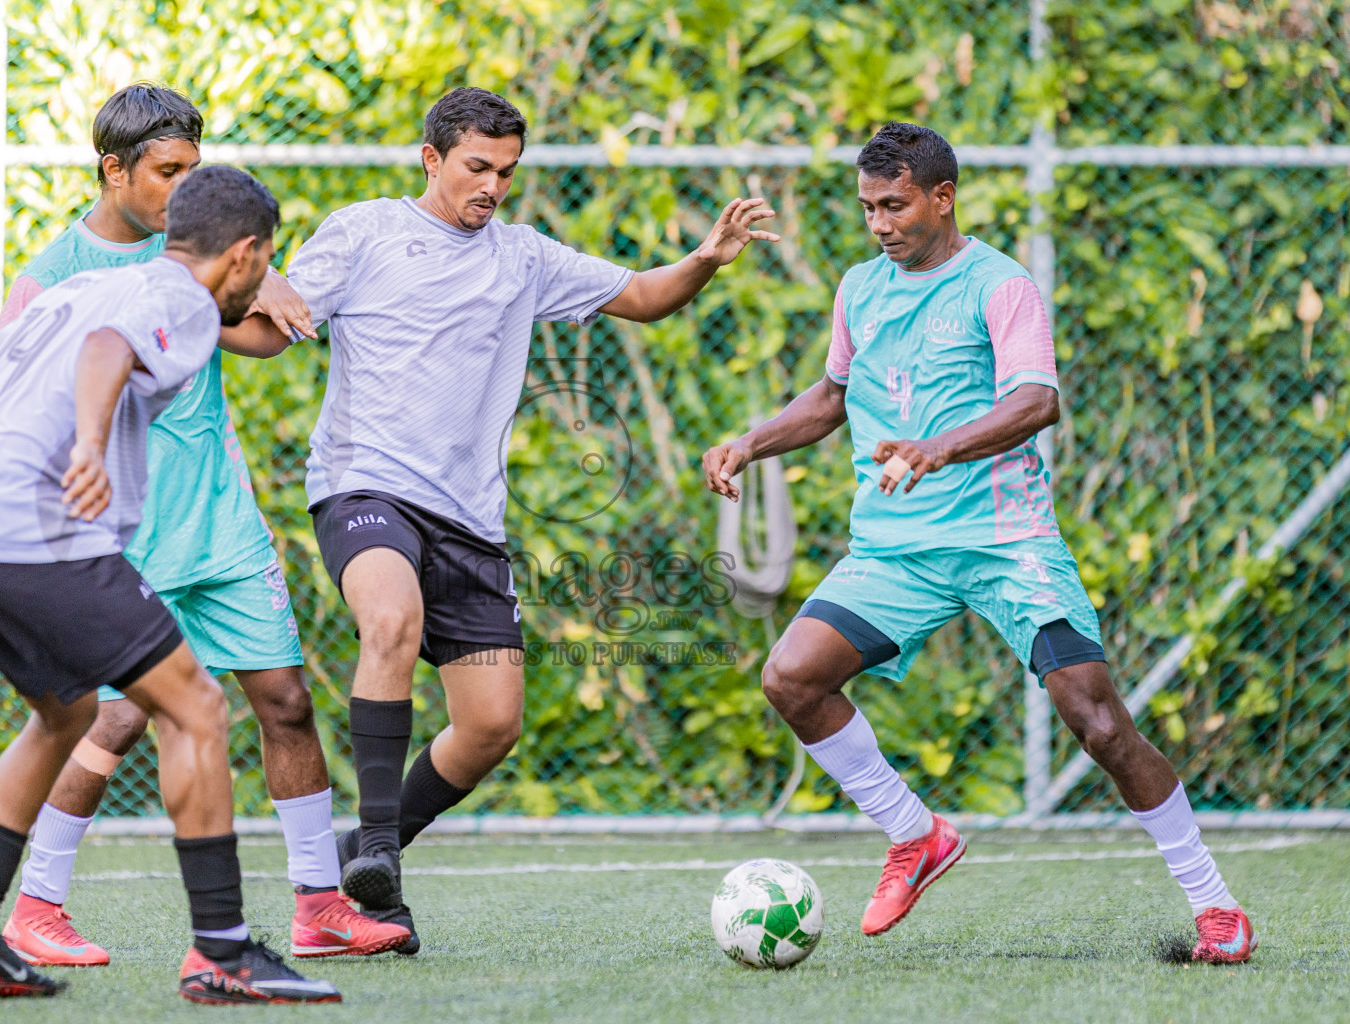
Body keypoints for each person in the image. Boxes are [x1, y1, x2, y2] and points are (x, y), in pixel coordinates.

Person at [701, 121, 1256, 964]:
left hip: (1007, 542)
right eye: (867, 208)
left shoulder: (1001, 285)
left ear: (942, 197)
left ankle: (1216, 907)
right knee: (791, 678)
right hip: (895, 550)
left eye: (895, 206)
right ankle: (913, 834)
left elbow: (1037, 402)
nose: (880, 224)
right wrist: (750, 441)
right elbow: (830, 398)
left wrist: (937, 447)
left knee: (1099, 722)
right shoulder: (861, 288)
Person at [269, 87, 778, 951]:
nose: (492, 187)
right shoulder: (364, 232)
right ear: (431, 160)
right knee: (390, 618)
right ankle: (379, 856)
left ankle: (361, 852)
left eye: (506, 172)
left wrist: (707, 257)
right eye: (476, 168)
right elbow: (279, 310)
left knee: (491, 725)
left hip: (469, 522)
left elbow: (646, 296)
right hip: (365, 489)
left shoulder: (525, 257)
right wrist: (256, 278)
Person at [0, 166, 342, 1003]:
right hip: (34, 529)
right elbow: (109, 354)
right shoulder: (183, 302)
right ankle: (221, 952)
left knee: (66, 713)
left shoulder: (71, 290)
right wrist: (87, 443)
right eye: (262, 269)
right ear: (247, 256)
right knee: (195, 706)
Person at [0, 84, 407, 965]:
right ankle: (36, 907)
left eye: (193, 173)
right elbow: (8, 396)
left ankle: (319, 907)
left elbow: (253, 331)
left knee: (287, 703)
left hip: (222, 526)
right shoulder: (54, 273)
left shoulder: (195, 257)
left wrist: (274, 278)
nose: (184, 191)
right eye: (168, 172)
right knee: (115, 724)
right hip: (124, 539)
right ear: (116, 170)